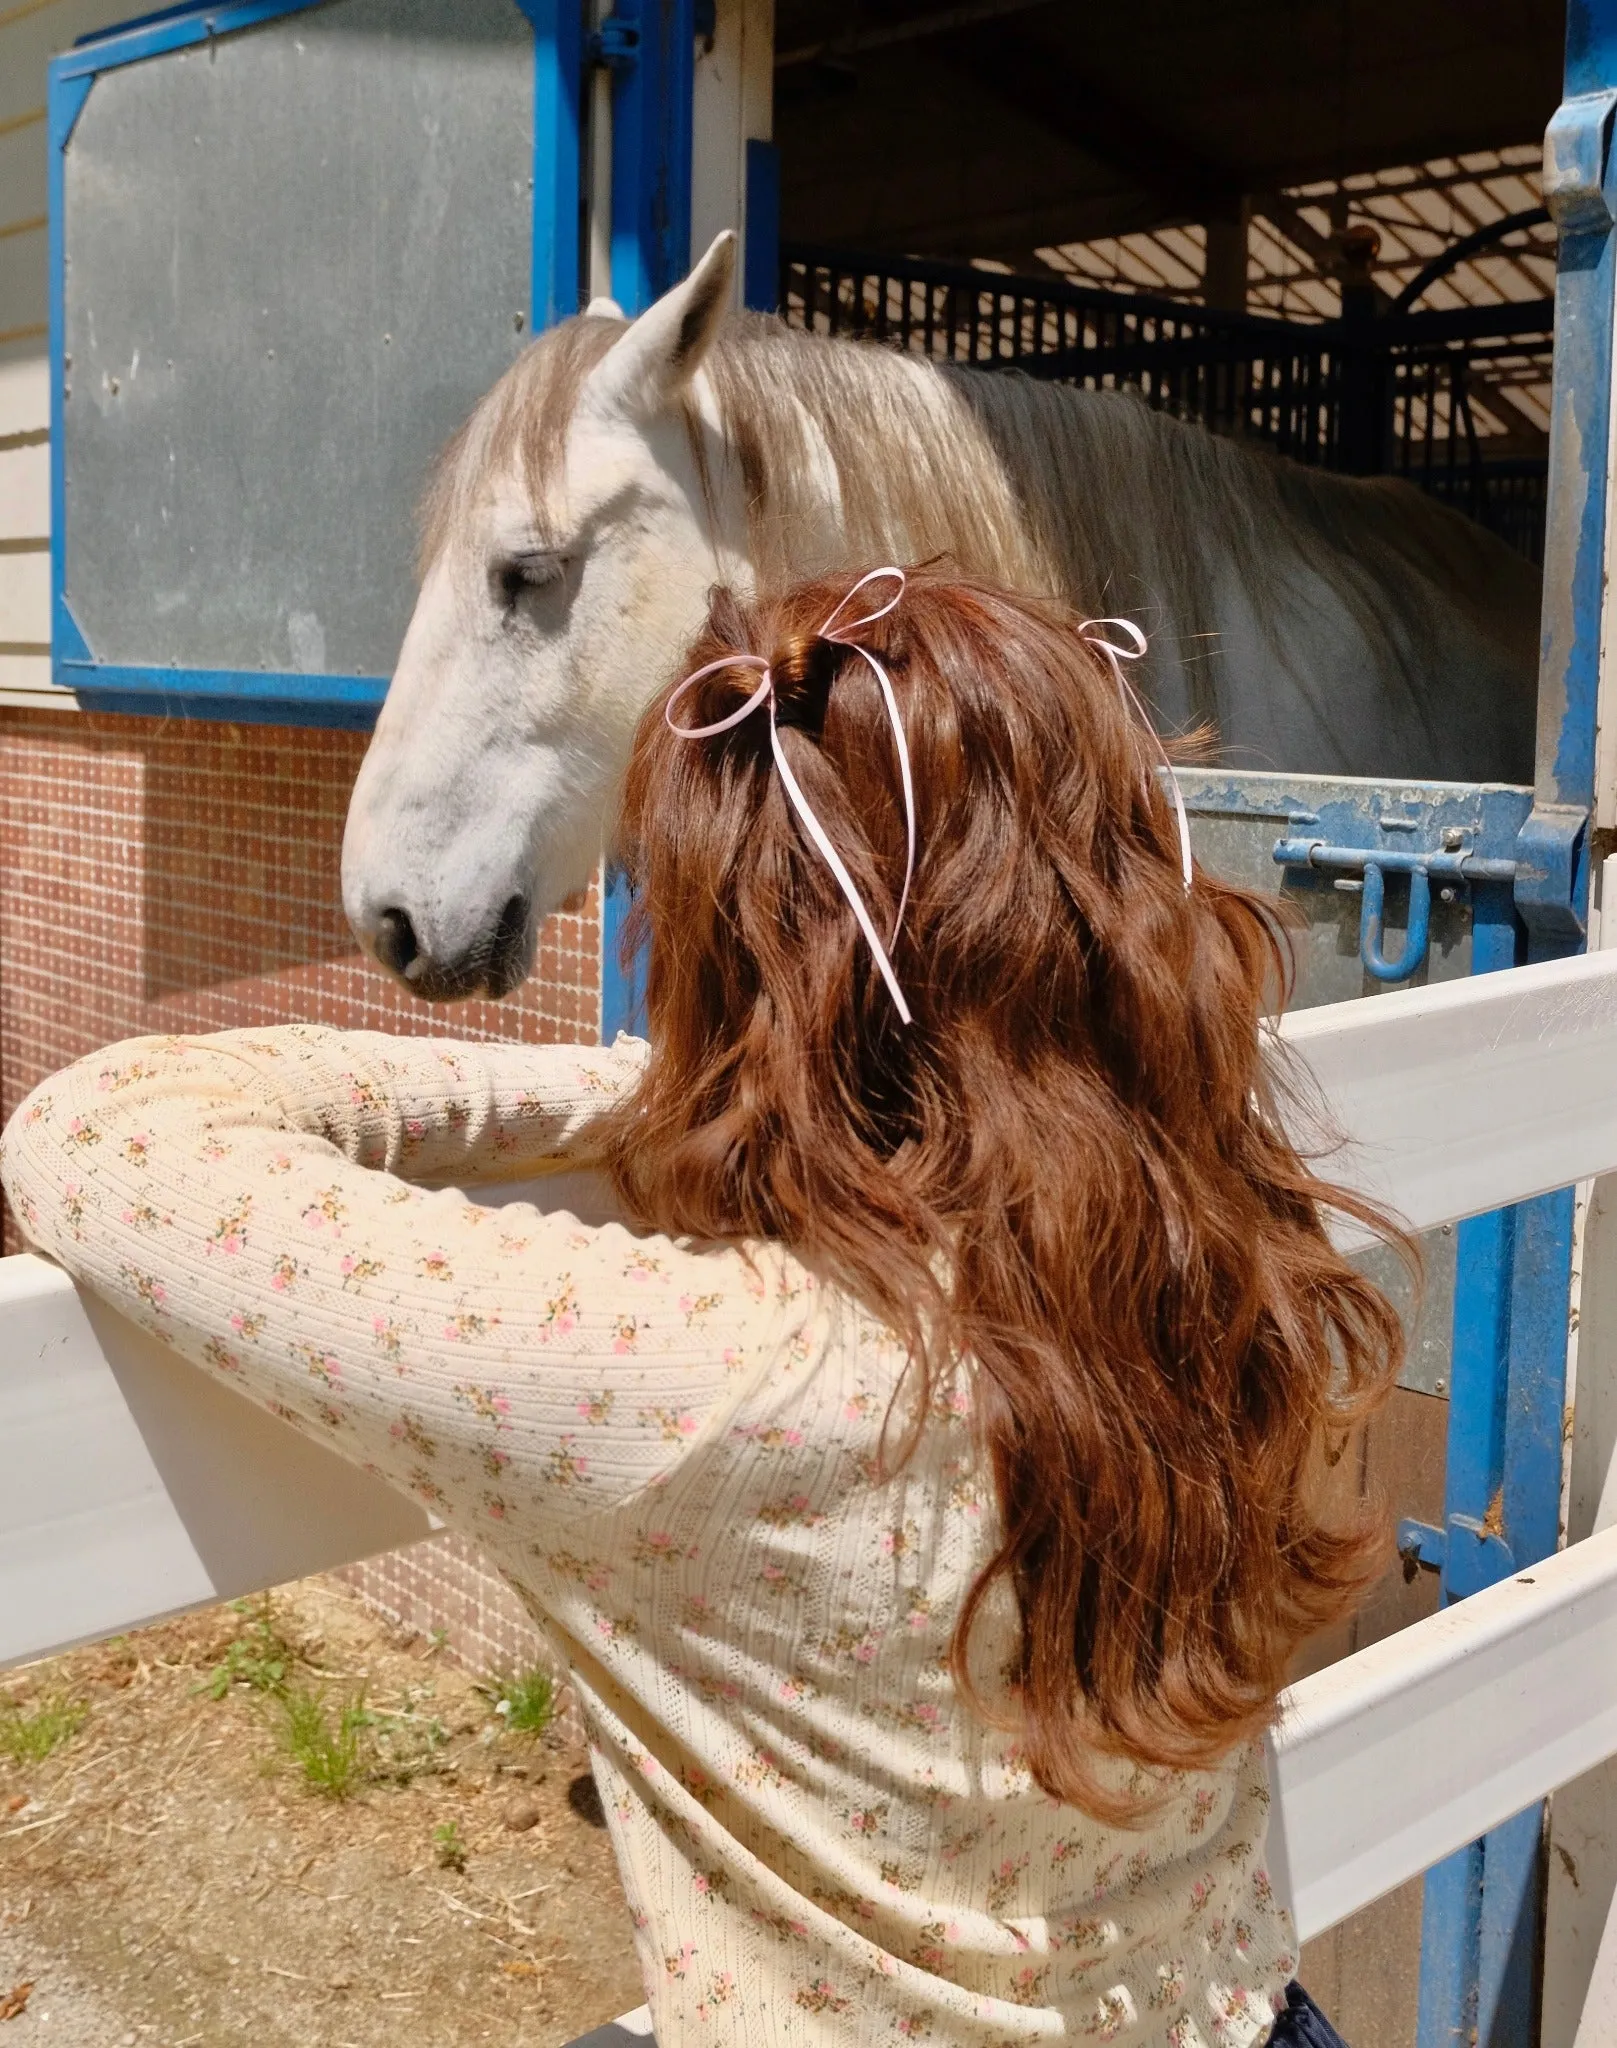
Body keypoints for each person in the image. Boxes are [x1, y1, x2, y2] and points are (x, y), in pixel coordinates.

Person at [2, 569, 1406, 2048]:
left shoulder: (685, 1379)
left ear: (734, 955)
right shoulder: (1232, 1255)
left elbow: (103, 1131)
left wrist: (675, 1093)